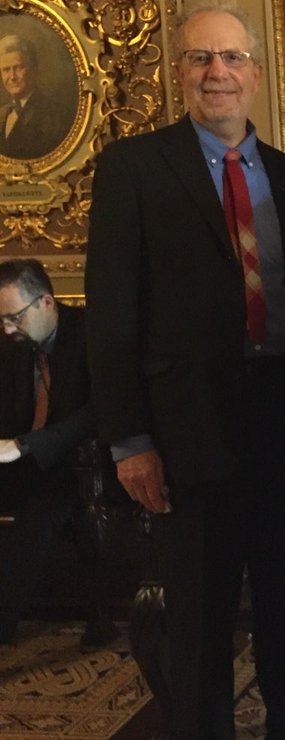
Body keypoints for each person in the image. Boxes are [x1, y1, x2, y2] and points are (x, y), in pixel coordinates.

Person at [85, 0, 285, 737]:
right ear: (179, 73)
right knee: (197, 619)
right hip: (187, 435)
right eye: (200, 58)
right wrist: (129, 440)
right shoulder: (133, 169)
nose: (216, 73)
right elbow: (113, 310)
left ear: (256, 74)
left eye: (231, 58)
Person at [0, 259, 93, 644]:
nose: (7, 329)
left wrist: (26, 445)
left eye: (14, 318)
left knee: (38, 507)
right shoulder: (13, 343)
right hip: (22, 462)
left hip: (78, 465)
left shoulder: (92, 333)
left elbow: (100, 412)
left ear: (47, 303)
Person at [0, 33, 73, 159]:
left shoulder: (57, 114)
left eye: (18, 68)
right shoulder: (1, 113)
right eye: (6, 70)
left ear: (33, 69)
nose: (12, 77)